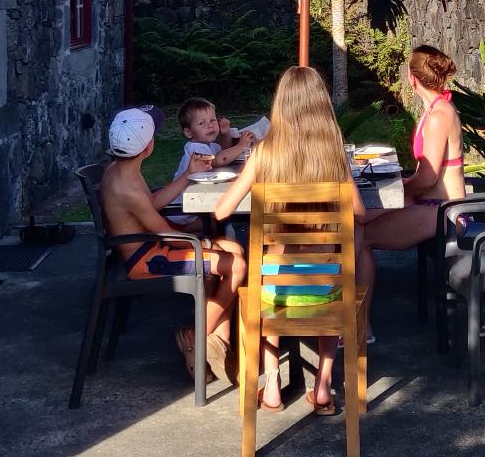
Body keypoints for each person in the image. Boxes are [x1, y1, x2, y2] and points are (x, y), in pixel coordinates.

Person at [215, 66, 365, 414]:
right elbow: (360, 213)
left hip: (276, 292)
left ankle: (271, 386)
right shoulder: (333, 154)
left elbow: (222, 212)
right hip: (324, 288)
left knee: (266, 286)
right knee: (338, 282)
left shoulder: (264, 153)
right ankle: (324, 385)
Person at [100, 107, 246, 382]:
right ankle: (195, 334)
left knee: (232, 249)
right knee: (235, 265)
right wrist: (203, 245)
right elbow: (165, 232)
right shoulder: (127, 187)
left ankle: (218, 340)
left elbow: (152, 205)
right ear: (148, 146)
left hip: (146, 246)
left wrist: (188, 174)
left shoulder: (121, 170)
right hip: (147, 258)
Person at [357, 46, 465, 325]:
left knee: (361, 236)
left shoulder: (440, 115)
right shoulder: (436, 109)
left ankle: (360, 326)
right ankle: (356, 320)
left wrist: (398, 188)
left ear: (412, 77)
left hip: (444, 211)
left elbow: (428, 178)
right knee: (360, 218)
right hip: (429, 203)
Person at [175, 96, 256, 175]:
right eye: (202, 123)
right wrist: (241, 146)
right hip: (187, 188)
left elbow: (225, 151)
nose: (210, 125)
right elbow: (219, 161)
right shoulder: (195, 149)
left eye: (212, 120)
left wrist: (225, 134)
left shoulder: (211, 146)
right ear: (189, 132)